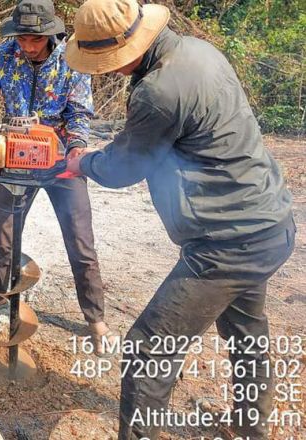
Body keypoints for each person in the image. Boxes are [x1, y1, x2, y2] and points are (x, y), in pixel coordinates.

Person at [64, 0, 295, 438]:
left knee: (147, 349)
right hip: (268, 223)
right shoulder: (199, 51)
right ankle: (251, 430)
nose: (106, 70)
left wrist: (84, 164)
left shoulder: (158, 91)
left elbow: (124, 167)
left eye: (104, 61)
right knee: (247, 335)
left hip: (227, 242)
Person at [0, 0, 113, 353]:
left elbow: (78, 113)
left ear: (50, 34)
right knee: (5, 233)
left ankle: (95, 318)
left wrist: (76, 148)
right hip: (15, 156)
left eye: (34, 40)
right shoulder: (5, 52)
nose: (27, 47)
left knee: (80, 239)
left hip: (60, 162)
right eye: (22, 39)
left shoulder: (72, 58)